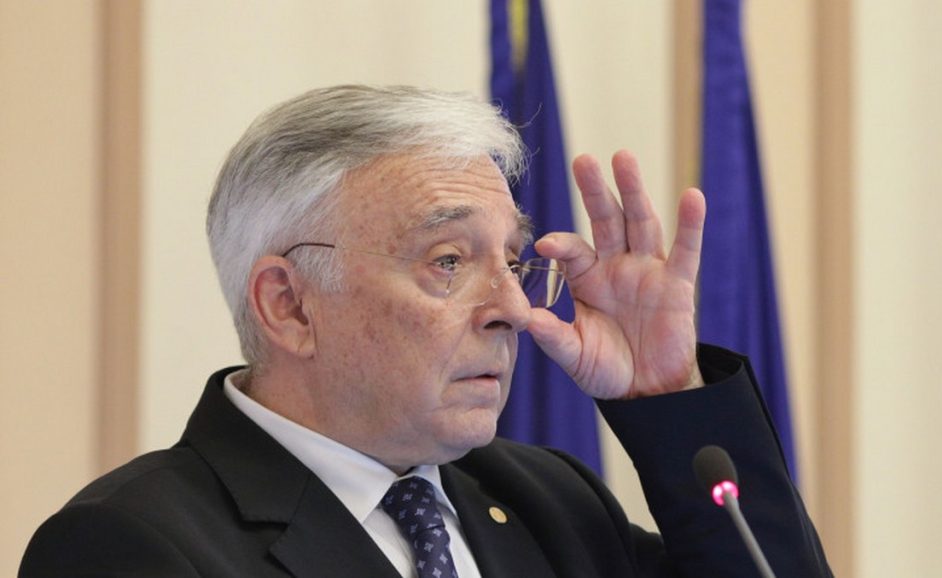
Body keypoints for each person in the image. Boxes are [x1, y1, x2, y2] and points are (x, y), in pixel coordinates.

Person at [20, 85, 831, 577]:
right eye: (448, 261)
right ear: (289, 306)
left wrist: (667, 394)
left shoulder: (546, 500)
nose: (514, 307)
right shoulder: (132, 545)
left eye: (511, 260)